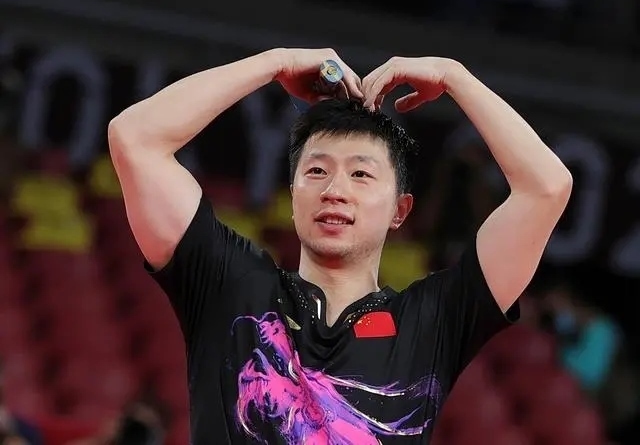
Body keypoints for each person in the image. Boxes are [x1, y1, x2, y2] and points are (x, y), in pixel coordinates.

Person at [108, 48, 573, 443]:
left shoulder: (433, 322)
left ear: (400, 210)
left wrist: (455, 76)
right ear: (293, 198)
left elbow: (547, 187)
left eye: (361, 174)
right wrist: (275, 62)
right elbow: (135, 138)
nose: (335, 189)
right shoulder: (230, 286)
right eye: (316, 171)